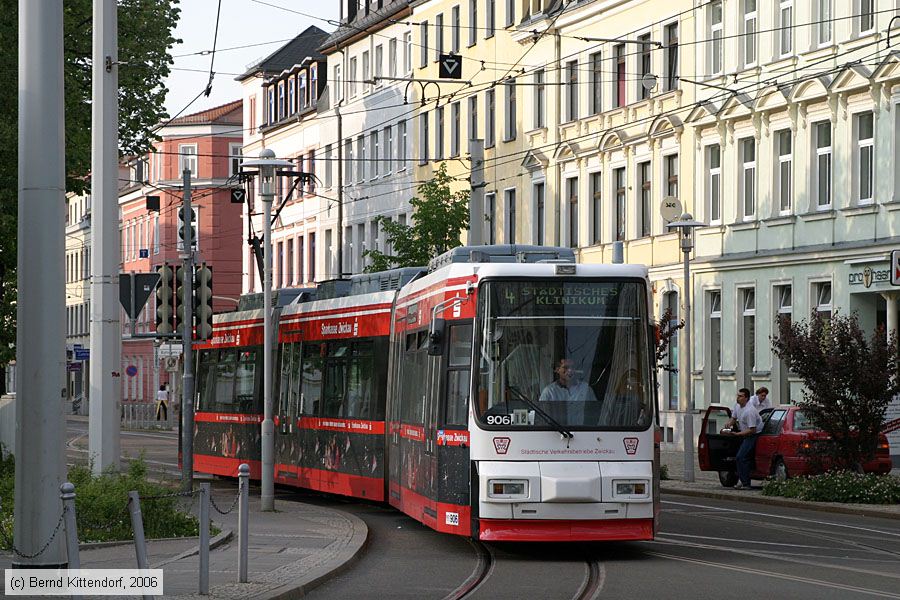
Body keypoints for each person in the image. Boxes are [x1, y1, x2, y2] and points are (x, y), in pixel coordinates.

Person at [726, 388, 763, 489]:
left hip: (752, 436)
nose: (738, 398)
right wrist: (729, 424)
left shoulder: (750, 411)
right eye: (737, 396)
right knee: (737, 457)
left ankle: (746, 483)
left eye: (740, 396)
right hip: (744, 434)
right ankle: (741, 480)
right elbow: (733, 418)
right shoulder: (737, 406)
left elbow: (753, 430)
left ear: (746, 398)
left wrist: (739, 434)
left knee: (741, 457)